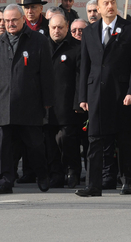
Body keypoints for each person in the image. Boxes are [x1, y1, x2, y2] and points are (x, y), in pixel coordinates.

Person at [76, 0, 131, 197]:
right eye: (105, 3)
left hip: (121, 93)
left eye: (113, 2)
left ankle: (127, 181)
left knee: (124, 140)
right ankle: (93, 185)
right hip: (96, 93)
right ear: (98, 8)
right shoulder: (89, 32)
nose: (110, 6)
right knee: (94, 140)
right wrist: (83, 96)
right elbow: (85, 66)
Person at [0, 4, 54, 194]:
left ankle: (42, 175)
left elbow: (47, 74)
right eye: (6, 20)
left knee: (34, 145)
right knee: (3, 147)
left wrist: (47, 100)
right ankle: (4, 182)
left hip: (30, 103)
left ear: (23, 19)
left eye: (14, 20)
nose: (10, 24)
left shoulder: (39, 41)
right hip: (3, 104)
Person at [44, 13, 82, 188]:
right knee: (50, 142)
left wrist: (79, 102)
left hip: (68, 105)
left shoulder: (77, 48)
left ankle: (73, 171)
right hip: (46, 106)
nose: (57, 31)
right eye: (53, 27)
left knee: (67, 140)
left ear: (67, 28)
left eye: (60, 27)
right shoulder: (42, 47)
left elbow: (80, 78)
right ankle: (56, 174)